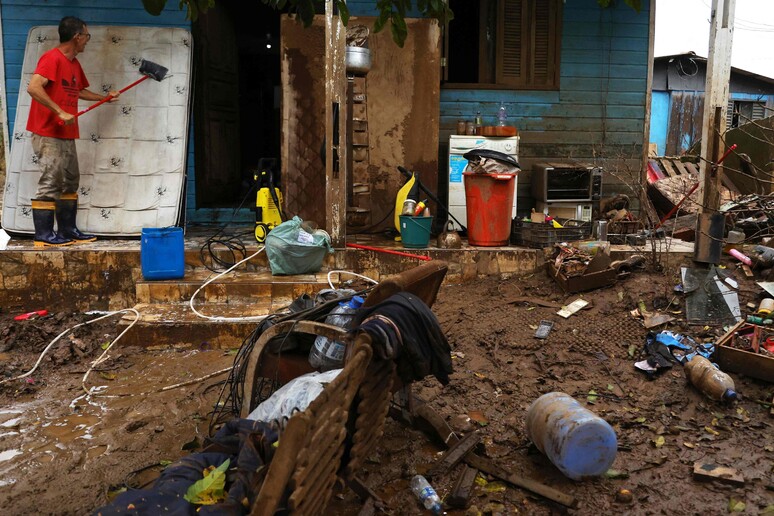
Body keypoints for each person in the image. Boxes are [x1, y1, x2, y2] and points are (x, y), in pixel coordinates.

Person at [26, 16, 120, 247]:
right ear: (76, 37)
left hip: (66, 134)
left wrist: (104, 98)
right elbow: (33, 87)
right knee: (50, 181)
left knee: (70, 181)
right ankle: (44, 236)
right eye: (86, 36)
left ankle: (68, 231)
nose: (87, 41)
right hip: (48, 132)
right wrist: (59, 111)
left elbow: (77, 91)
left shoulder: (74, 64)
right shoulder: (52, 58)